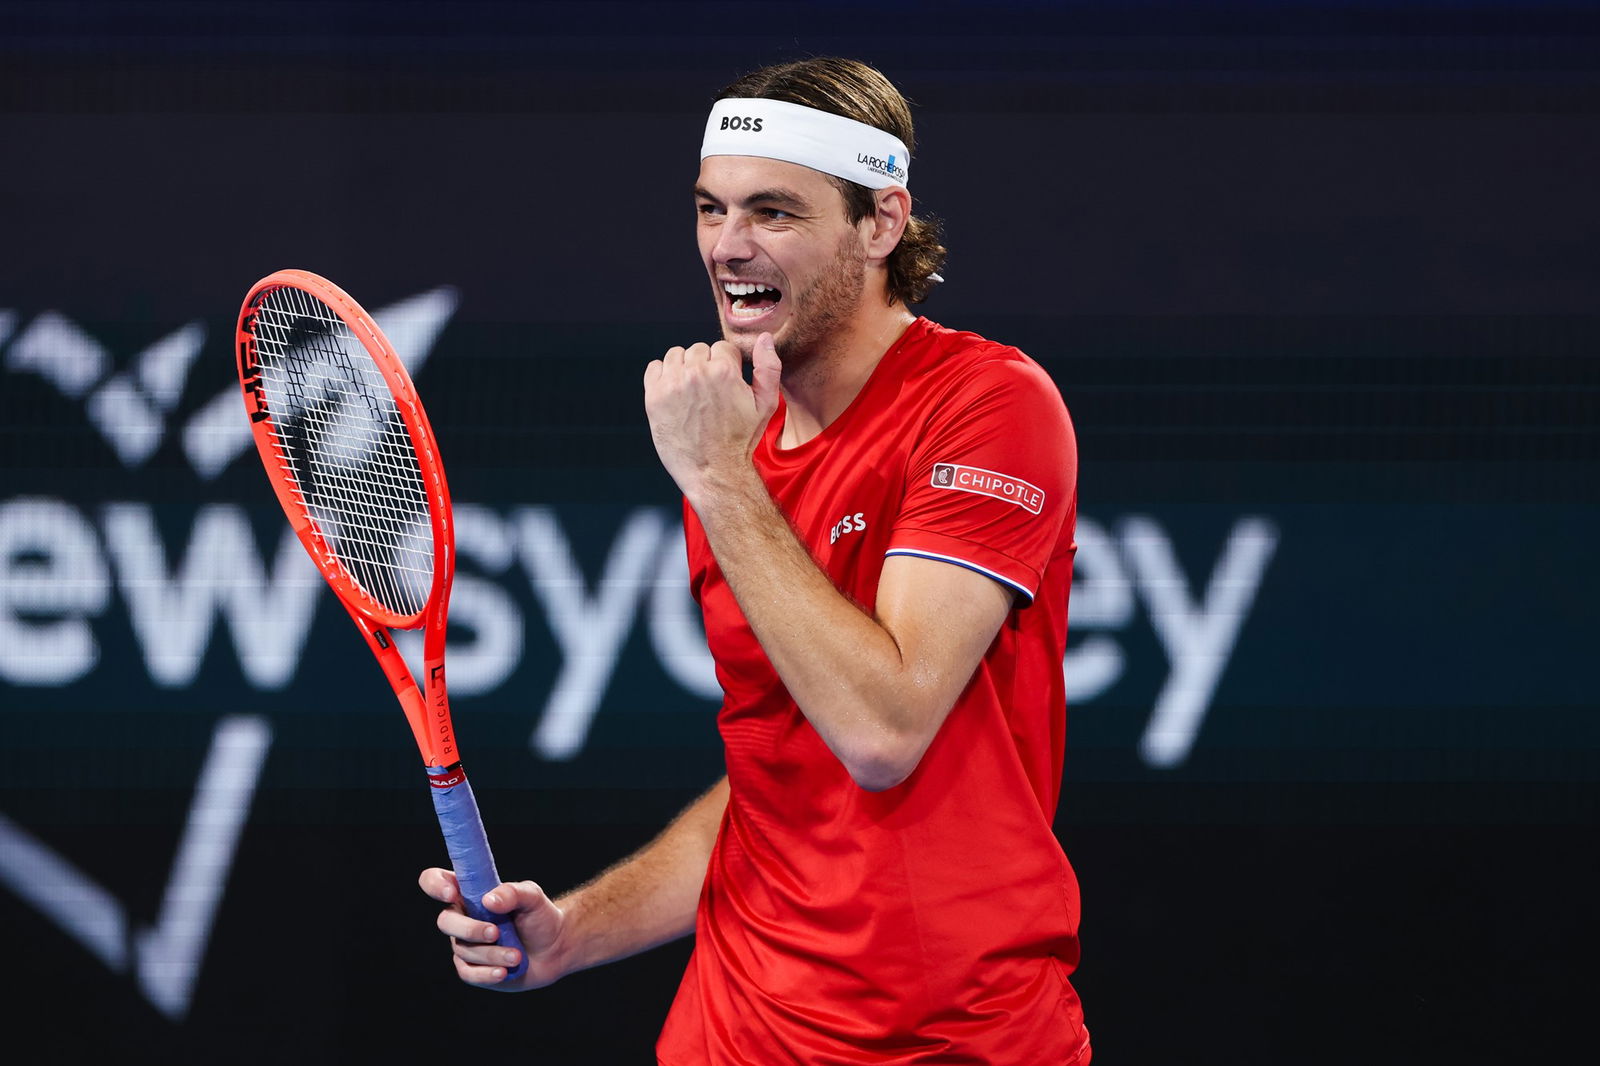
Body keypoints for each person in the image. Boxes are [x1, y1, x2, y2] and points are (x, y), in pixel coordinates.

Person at [421, 56, 1090, 1064]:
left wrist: (719, 481)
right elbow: (782, 779)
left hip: (953, 1039)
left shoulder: (988, 404)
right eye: (709, 208)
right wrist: (573, 933)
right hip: (731, 1030)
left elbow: (879, 729)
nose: (727, 247)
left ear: (880, 223)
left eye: (773, 212)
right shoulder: (734, 440)